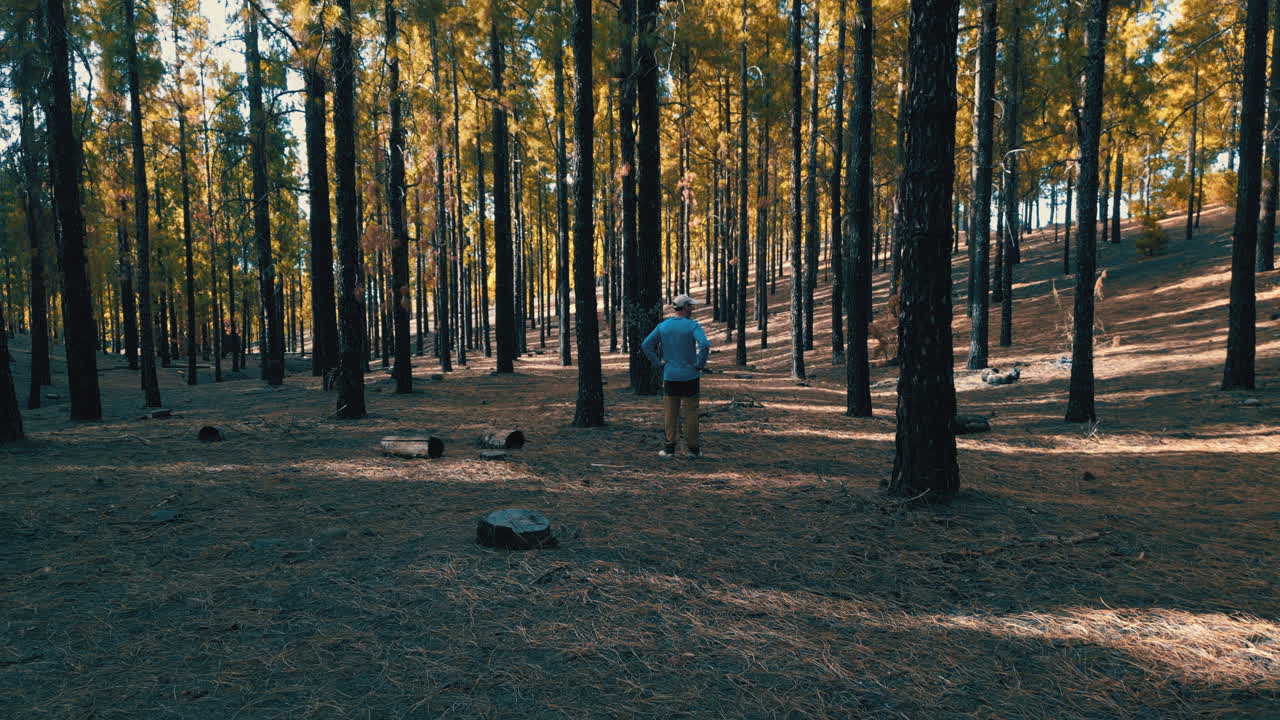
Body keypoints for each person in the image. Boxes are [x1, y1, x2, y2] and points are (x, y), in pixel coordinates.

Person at [641, 293, 711, 458]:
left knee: (671, 413)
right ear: (685, 307)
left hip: (670, 376)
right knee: (691, 413)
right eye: (691, 306)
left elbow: (646, 345)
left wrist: (658, 363)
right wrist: (700, 364)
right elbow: (705, 344)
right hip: (690, 376)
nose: (692, 308)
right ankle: (693, 450)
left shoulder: (663, 326)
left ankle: (669, 449)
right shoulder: (693, 326)